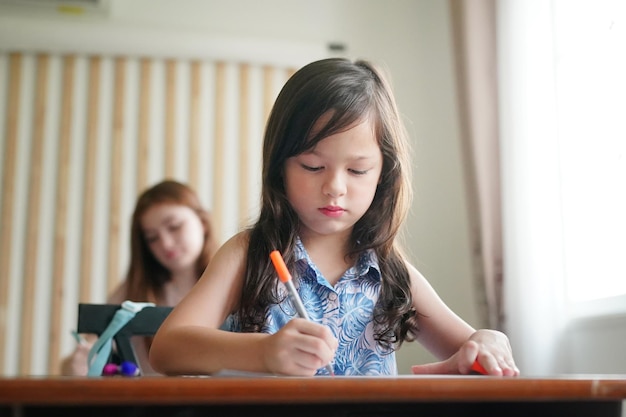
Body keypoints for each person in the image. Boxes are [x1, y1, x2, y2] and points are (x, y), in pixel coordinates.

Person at [149, 58, 519, 377]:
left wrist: (489, 341)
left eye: (358, 170)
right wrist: (263, 352)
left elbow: (469, 349)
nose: (334, 187)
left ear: (383, 174)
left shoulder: (389, 269)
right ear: (280, 169)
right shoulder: (249, 254)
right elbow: (167, 347)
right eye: (313, 166)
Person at [61, 180, 218, 375]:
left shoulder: (236, 282)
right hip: (151, 402)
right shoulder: (134, 291)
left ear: (202, 222)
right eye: (152, 238)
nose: (166, 244)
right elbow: (90, 346)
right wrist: (77, 364)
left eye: (174, 226)